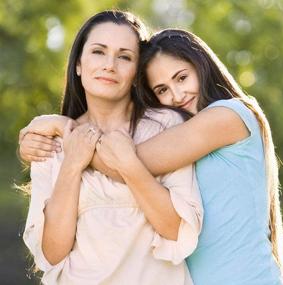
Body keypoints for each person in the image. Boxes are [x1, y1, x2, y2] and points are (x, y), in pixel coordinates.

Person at [20, 27, 283, 285]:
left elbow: (123, 162)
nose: (177, 95)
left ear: (202, 66)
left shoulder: (228, 115)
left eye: (181, 78)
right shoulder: (178, 128)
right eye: (161, 90)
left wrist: (62, 128)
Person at [20, 12, 203, 285]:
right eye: (98, 52)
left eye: (124, 56)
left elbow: (177, 230)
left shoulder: (167, 125)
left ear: (136, 72)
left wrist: (129, 164)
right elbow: (52, 253)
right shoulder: (51, 140)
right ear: (79, 65)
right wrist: (72, 162)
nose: (109, 65)